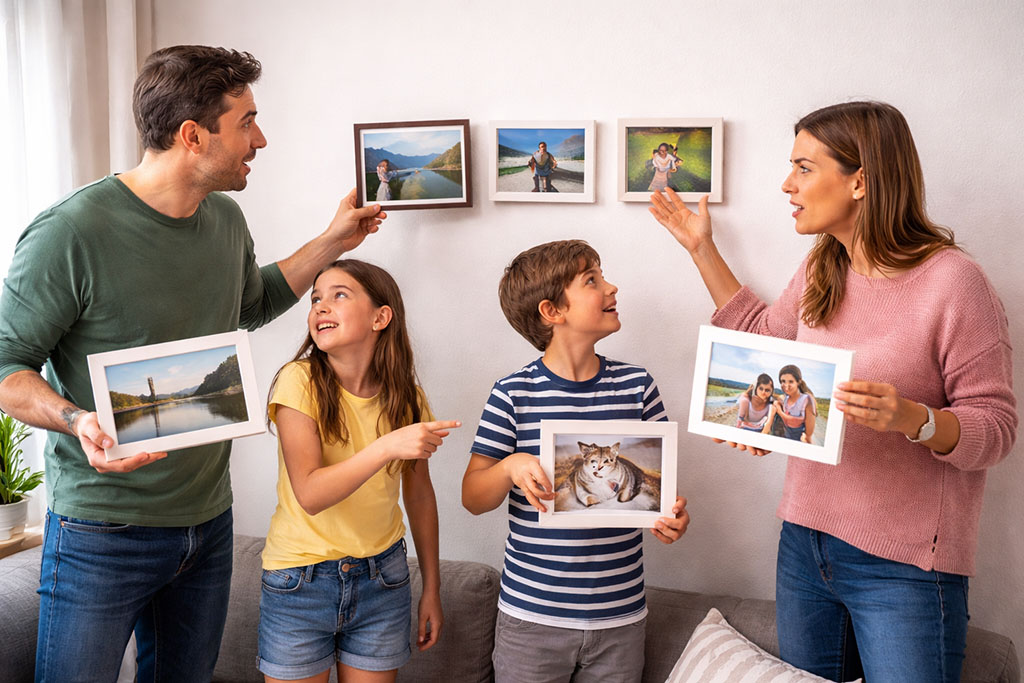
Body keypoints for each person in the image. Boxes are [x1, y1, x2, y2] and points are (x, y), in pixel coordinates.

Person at [0, 45, 387, 682]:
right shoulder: (70, 233)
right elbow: (8, 366)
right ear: (192, 135)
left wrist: (333, 241)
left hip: (207, 525)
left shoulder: (225, 220)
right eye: (247, 122)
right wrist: (77, 420)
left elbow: (253, 302)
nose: (260, 139)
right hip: (102, 532)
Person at [649, 101, 1016, 682]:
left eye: (803, 167)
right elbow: (763, 342)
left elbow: (995, 428)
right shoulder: (824, 266)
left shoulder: (955, 282)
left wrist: (915, 419)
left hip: (906, 569)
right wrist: (700, 248)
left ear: (860, 181)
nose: (786, 185)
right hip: (805, 547)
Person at [461, 239, 690, 683]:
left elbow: (667, 496)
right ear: (552, 311)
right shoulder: (513, 394)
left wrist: (675, 518)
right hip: (531, 618)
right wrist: (508, 468)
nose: (611, 288)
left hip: (620, 618)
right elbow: (472, 497)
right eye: (592, 281)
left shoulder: (638, 386)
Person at [259, 260, 457, 682]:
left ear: (380, 317)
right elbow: (310, 494)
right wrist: (386, 446)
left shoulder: (407, 397)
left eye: (339, 295)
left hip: (382, 581)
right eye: (316, 299)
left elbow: (420, 497)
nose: (321, 307)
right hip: (299, 581)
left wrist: (432, 591)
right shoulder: (298, 381)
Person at [774, 365, 816, 442]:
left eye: (791, 381)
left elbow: (808, 435)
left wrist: (780, 412)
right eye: (783, 381)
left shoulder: (806, 399)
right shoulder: (785, 398)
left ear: (798, 382)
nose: (786, 385)